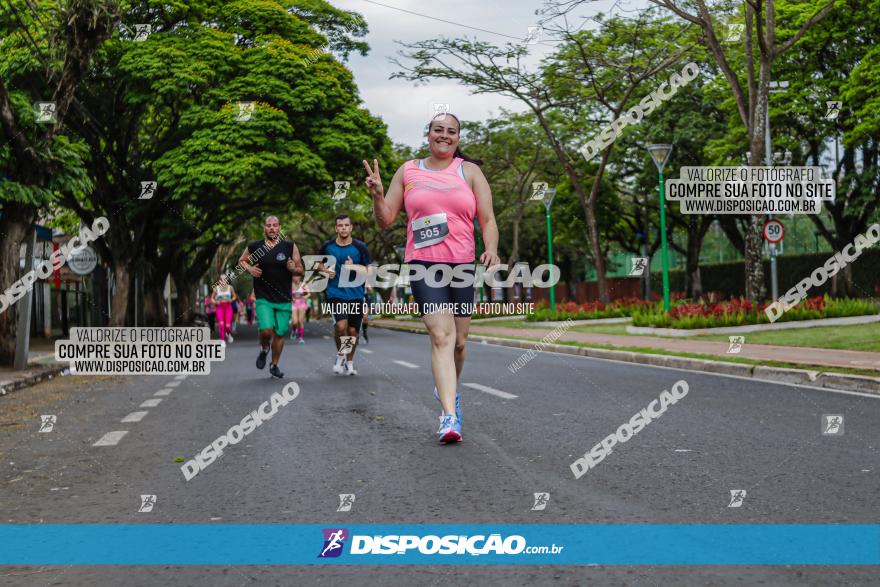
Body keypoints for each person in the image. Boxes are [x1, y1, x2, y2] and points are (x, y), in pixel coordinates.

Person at [364, 112, 500, 443]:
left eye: (451, 131)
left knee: (460, 343)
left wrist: (492, 249)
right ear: (428, 135)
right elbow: (385, 220)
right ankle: (449, 415)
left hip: (462, 264)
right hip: (424, 264)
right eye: (438, 130)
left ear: (458, 138)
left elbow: (488, 219)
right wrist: (377, 195)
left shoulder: (470, 172)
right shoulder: (409, 171)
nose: (444, 135)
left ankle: (449, 389)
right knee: (440, 336)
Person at [238, 215, 303, 378]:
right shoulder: (255, 246)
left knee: (280, 333)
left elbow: (300, 269)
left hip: (283, 298)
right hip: (263, 297)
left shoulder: (289, 246)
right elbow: (242, 261)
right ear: (264, 228)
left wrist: (293, 268)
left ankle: (274, 365)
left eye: (275, 225)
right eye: (269, 225)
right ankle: (264, 348)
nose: (272, 228)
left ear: (280, 227)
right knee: (266, 330)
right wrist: (250, 269)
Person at [316, 214, 372, 376]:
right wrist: (326, 270)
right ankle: (340, 355)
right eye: (340, 226)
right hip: (335, 292)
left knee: (353, 331)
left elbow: (369, 271)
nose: (343, 228)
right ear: (336, 228)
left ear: (351, 227)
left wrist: (353, 267)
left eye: (346, 225)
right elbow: (318, 264)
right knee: (341, 326)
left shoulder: (360, 247)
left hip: (356, 294)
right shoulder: (327, 246)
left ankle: (349, 362)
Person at [211, 275, 238, 343]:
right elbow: (212, 298)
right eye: (221, 279)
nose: (223, 281)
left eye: (224, 279)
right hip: (219, 308)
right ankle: (222, 340)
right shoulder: (216, 288)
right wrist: (215, 302)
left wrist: (231, 300)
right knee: (221, 324)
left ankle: (228, 335)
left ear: (227, 280)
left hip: (228, 308)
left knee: (228, 326)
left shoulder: (230, 288)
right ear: (219, 281)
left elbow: (234, 296)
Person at [290, 274, 310, 344]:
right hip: (293, 304)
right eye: (294, 276)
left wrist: (305, 297)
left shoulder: (303, 284)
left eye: (297, 276)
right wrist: (291, 298)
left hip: (301, 304)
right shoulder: (290, 285)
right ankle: (294, 330)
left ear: (300, 277)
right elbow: (286, 294)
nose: (296, 277)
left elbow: (308, 293)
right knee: (295, 321)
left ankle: (301, 338)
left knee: (300, 321)